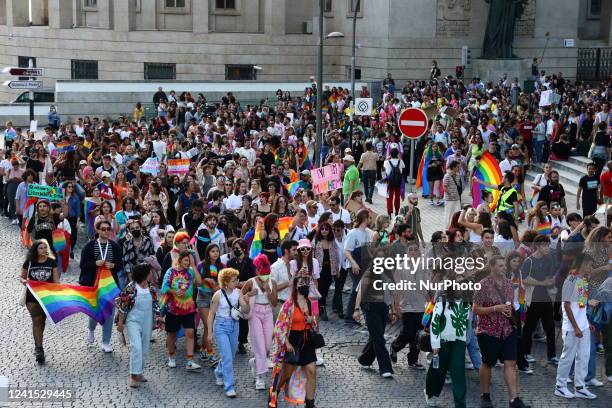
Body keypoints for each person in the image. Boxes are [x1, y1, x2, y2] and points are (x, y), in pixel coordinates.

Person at [473, 256, 531, 408]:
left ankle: (514, 400)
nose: (504, 268)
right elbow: (476, 309)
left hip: (506, 329)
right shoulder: (482, 285)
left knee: (511, 362)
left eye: (504, 265)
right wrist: (495, 308)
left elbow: (510, 304)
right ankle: (485, 395)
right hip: (488, 330)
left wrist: (509, 311)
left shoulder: (508, 283)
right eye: (500, 266)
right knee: (488, 362)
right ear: (491, 267)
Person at [268, 269, 319, 408]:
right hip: (293, 341)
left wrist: (311, 320)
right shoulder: (289, 304)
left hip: (307, 340)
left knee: (312, 371)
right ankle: (275, 392)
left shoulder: (310, 302)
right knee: (286, 375)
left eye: (307, 282)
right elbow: (279, 326)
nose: (305, 285)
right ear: (296, 285)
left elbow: (314, 323)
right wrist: (287, 343)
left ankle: (310, 403)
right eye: (302, 282)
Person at [554, 253, 598, 399]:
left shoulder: (583, 280)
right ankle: (560, 386)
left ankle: (580, 387)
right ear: (583, 264)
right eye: (591, 265)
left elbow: (580, 305)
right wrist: (576, 327)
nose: (592, 268)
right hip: (572, 327)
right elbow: (566, 306)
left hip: (583, 326)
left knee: (583, 357)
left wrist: (587, 323)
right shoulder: (571, 280)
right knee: (568, 357)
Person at [424, 271, 472, 408]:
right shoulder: (443, 298)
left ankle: (460, 404)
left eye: (463, 279)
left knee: (458, 372)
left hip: (459, 341)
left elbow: (468, 322)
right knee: (438, 370)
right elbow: (435, 321)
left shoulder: (466, 299)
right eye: (458, 279)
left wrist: (466, 340)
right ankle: (430, 392)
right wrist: (435, 343)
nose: (461, 283)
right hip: (442, 340)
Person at [353, 245, 398, 378]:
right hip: (370, 308)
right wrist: (356, 310)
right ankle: (385, 368)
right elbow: (360, 291)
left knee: (375, 336)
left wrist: (393, 311)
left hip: (383, 308)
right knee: (379, 338)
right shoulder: (369, 272)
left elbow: (392, 293)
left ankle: (365, 359)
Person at [115, 263, 162, 388]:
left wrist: (159, 318)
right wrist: (120, 324)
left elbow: (156, 304)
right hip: (133, 321)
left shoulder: (151, 288)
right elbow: (122, 306)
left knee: (145, 348)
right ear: (145, 274)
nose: (152, 274)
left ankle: (139, 372)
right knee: (136, 347)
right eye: (150, 272)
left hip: (147, 320)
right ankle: (133, 375)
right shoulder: (131, 288)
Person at [80, 219, 123, 353]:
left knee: (109, 313)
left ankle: (106, 341)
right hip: (93, 284)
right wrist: (95, 264)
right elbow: (83, 265)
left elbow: (120, 264)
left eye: (108, 229)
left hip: (109, 285)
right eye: (103, 229)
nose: (106, 231)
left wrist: (114, 266)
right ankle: (91, 330)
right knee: (95, 311)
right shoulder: (90, 246)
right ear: (97, 230)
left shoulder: (115, 246)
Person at [207, 267, 250, 398]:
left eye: (236, 279)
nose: (236, 282)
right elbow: (211, 314)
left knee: (230, 355)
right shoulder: (217, 295)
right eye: (233, 280)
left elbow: (246, 310)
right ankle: (229, 386)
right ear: (225, 282)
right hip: (220, 326)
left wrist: (246, 303)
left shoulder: (238, 292)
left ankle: (219, 372)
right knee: (227, 356)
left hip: (234, 325)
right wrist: (209, 333)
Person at [160, 250, 202, 371]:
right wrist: (174, 291)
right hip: (173, 309)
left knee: (190, 332)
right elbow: (164, 288)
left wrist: (193, 265)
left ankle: (189, 361)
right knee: (172, 334)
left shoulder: (190, 271)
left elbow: (199, 282)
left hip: (189, 308)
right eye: (186, 260)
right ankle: (171, 357)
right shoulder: (171, 271)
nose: (187, 262)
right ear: (179, 260)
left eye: (189, 260)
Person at [390, 235, 427, 369]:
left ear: (419, 252)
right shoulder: (401, 268)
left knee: (417, 335)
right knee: (407, 333)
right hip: (406, 306)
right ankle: (395, 346)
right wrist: (396, 307)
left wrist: (429, 301)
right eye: (410, 249)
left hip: (421, 306)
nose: (412, 252)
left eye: (415, 250)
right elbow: (397, 289)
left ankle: (413, 360)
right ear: (407, 252)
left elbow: (426, 286)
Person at [242, 254, 277, 390]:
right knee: (260, 347)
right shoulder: (251, 282)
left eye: (266, 273)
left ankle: (255, 362)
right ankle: (260, 377)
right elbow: (241, 295)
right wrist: (249, 295)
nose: (264, 276)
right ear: (256, 270)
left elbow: (274, 303)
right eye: (262, 273)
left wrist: (269, 292)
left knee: (267, 346)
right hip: (255, 313)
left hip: (268, 312)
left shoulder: (272, 282)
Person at [20, 239, 59, 364]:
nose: (43, 250)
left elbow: (56, 280)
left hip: (46, 297)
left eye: (44, 248)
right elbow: (22, 276)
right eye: (40, 248)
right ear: (35, 250)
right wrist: (24, 281)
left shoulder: (52, 262)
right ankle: (39, 349)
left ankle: (38, 342)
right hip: (32, 297)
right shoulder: (29, 262)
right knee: (36, 320)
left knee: (42, 322)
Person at [521, 235, 558, 365]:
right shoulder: (529, 261)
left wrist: (551, 280)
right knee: (529, 327)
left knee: (550, 327)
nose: (547, 247)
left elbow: (551, 277)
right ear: (537, 246)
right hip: (533, 298)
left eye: (548, 245)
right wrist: (542, 283)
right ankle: (525, 353)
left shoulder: (549, 259)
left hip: (546, 298)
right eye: (544, 245)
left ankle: (552, 355)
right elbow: (524, 279)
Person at [196, 243, 224, 364]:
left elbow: (223, 285)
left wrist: (214, 286)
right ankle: (211, 353)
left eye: (217, 251)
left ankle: (203, 349)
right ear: (208, 253)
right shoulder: (201, 265)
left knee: (208, 327)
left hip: (215, 298)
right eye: (212, 251)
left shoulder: (222, 266)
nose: (215, 253)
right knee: (208, 326)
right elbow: (196, 282)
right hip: (202, 297)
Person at [343, 210, 372, 324]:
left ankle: (355, 314)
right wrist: (353, 263)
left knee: (359, 288)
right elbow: (346, 251)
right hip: (354, 265)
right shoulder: (353, 233)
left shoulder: (366, 233)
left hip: (362, 265)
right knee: (357, 288)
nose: (371, 220)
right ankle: (350, 315)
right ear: (364, 219)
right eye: (369, 218)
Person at [384, 145, 405, 216]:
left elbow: (385, 169)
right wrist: (399, 158)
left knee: (389, 197)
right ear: (397, 154)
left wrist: (388, 158)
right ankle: (396, 211)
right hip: (399, 181)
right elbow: (403, 167)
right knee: (397, 197)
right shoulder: (401, 161)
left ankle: (389, 212)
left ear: (390, 154)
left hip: (389, 182)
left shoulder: (387, 162)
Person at [443, 161, 463, 227]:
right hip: (449, 199)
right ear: (453, 167)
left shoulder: (458, 175)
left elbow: (459, 185)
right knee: (448, 214)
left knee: (458, 213)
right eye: (457, 167)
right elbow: (444, 187)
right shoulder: (447, 176)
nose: (459, 168)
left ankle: (456, 226)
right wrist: (450, 194)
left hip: (457, 198)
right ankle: (447, 227)